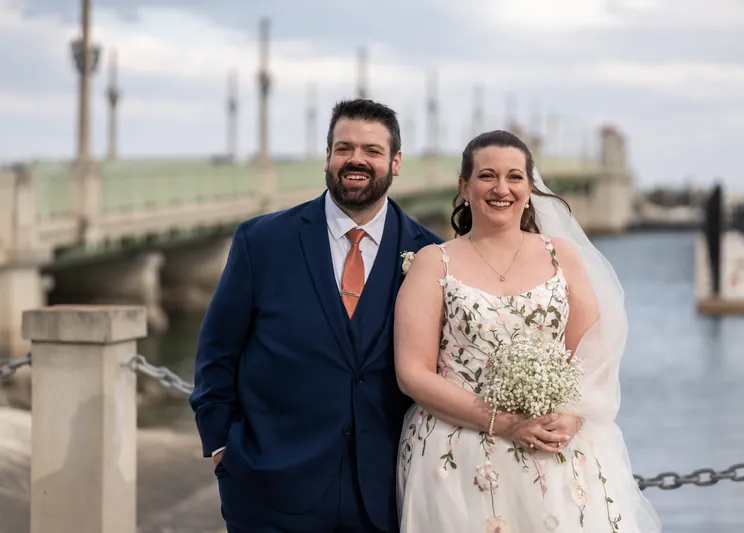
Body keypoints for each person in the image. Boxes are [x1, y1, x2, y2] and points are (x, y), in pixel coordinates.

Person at [189, 98, 442, 533]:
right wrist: (222, 447)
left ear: (395, 162)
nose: (356, 160)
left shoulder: (431, 254)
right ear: (327, 157)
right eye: (344, 148)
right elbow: (217, 350)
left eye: (372, 150)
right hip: (270, 490)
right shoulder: (262, 240)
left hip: (387, 498)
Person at [394, 130, 661, 532]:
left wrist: (572, 415)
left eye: (515, 176)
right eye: (487, 176)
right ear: (464, 186)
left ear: (529, 187)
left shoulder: (561, 256)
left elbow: (594, 350)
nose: (502, 188)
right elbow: (411, 373)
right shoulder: (434, 263)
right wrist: (503, 423)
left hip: (555, 451)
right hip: (456, 454)